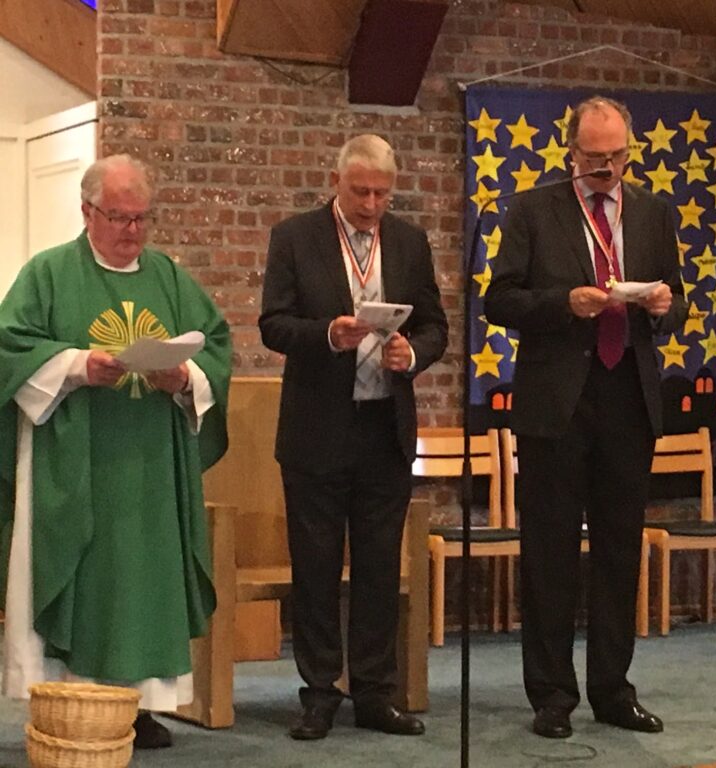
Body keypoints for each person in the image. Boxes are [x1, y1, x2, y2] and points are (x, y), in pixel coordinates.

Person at [0, 155, 232, 749]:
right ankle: (69, 700)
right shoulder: (48, 273)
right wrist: (78, 366)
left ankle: (140, 707)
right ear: (87, 212)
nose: (132, 231)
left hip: (151, 466)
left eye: (142, 218)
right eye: (119, 217)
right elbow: (10, 346)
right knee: (82, 575)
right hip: (75, 463)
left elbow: (215, 346)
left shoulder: (170, 278)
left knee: (143, 581)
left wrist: (183, 377)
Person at [485, 96, 685, 739]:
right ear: (571, 152)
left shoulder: (654, 213)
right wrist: (562, 303)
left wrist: (664, 306)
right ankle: (551, 694)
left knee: (619, 552)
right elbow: (499, 300)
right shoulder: (533, 210)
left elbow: (678, 301)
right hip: (557, 403)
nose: (606, 169)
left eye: (617, 157)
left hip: (629, 397)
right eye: (595, 158)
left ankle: (612, 689)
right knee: (549, 553)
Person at [260, 134, 447, 740]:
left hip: (384, 427)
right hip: (317, 427)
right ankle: (319, 694)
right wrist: (327, 335)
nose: (370, 205)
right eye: (360, 191)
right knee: (316, 568)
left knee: (377, 568)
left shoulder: (410, 243)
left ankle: (374, 693)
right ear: (335, 181)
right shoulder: (296, 237)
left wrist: (411, 353)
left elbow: (436, 326)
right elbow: (273, 324)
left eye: (382, 194)